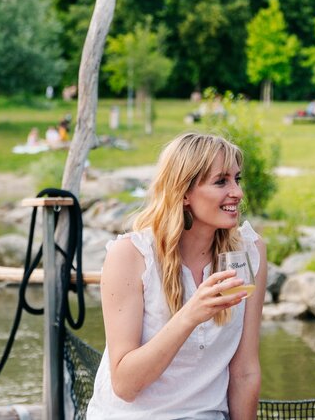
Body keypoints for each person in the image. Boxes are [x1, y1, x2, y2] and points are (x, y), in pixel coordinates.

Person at [86, 133, 267, 419]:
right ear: (183, 193)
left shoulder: (248, 251)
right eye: (221, 181)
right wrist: (190, 315)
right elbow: (124, 385)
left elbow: (245, 372)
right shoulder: (131, 255)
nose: (237, 192)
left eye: (237, 179)